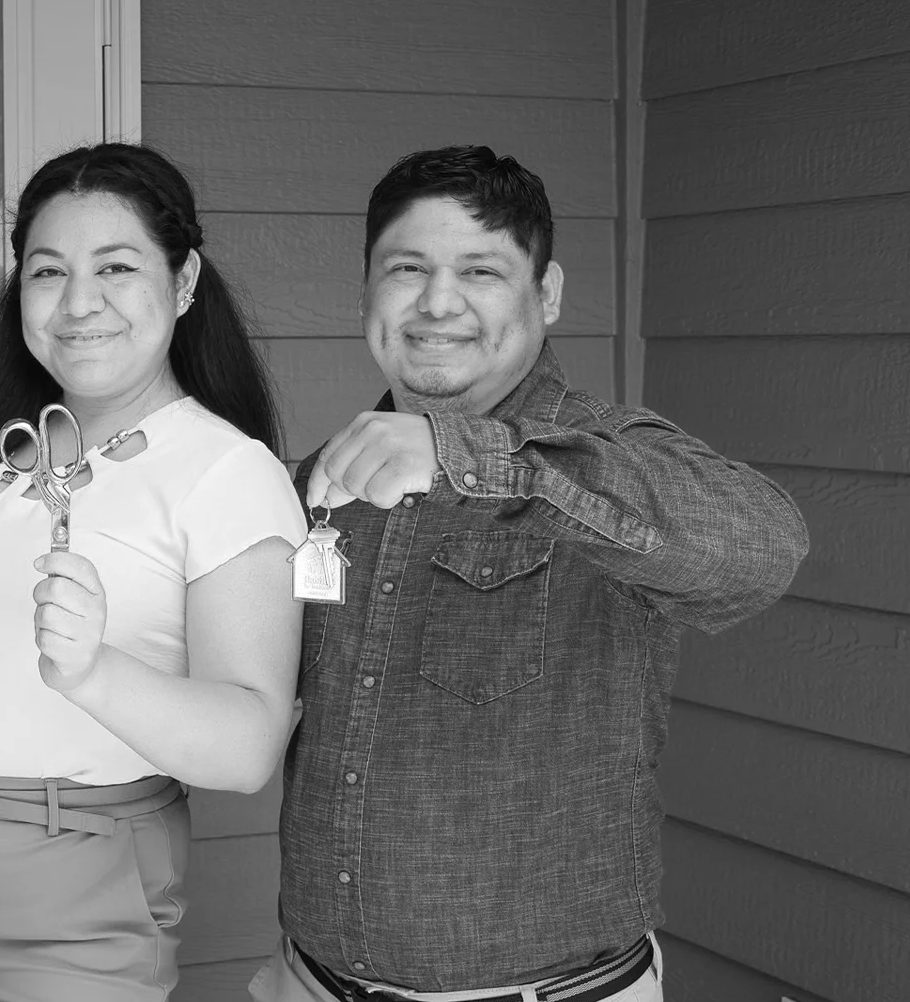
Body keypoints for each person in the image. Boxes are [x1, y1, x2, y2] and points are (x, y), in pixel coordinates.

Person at [251, 146, 809, 1002]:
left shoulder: (614, 456)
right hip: (309, 982)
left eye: (481, 270)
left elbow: (761, 548)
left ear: (545, 294)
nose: (439, 302)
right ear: (365, 292)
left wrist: (472, 456)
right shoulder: (317, 486)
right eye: (407, 269)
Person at [0, 142, 308, 1001]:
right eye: (47, 271)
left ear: (183, 284)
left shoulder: (224, 470)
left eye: (116, 266)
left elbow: (249, 747)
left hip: (69, 906)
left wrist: (95, 671)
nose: (79, 304)